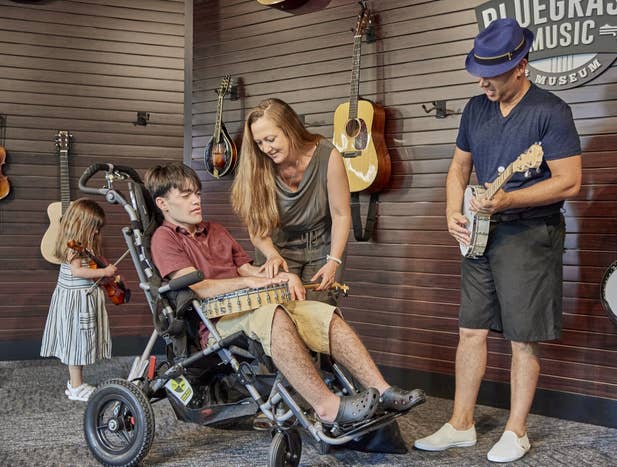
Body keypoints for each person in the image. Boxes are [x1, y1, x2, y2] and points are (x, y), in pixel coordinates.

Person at [413, 18, 582, 462]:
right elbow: (458, 169)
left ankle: (516, 431)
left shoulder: (551, 111)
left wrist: (509, 200)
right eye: (478, 71)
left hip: (530, 235)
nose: (483, 81)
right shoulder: (475, 108)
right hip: (478, 234)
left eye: (493, 73)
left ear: (521, 66)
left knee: (522, 339)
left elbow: (569, 182)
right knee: (469, 330)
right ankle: (461, 424)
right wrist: (453, 211)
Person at [145, 162, 424, 427]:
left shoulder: (215, 230)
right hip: (216, 322)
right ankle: (327, 407)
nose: (196, 200)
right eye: (186, 195)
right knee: (274, 315)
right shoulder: (164, 238)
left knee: (323, 313)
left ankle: (384, 391)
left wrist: (281, 277)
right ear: (163, 204)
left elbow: (246, 270)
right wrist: (248, 284)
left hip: (251, 306)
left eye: (197, 193)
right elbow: (197, 287)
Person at [231, 98, 350, 305]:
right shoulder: (257, 165)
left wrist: (334, 261)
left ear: (290, 129)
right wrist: (272, 256)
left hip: (322, 245)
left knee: (318, 314)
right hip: (277, 247)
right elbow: (257, 229)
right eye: (259, 143)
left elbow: (341, 214)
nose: (266, 149)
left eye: (270, 139)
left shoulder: (328, 157)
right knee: (279, 313)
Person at [40, 198, 116, 401]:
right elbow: (77, 271)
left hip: (78, 300)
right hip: (76, 303)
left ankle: (77, 383)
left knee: (78, 344)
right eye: (95, 229)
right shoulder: (74, 247)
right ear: (82, 225)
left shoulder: (81, 245)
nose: (97, 233)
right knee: (75, 344)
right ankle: (76, 387)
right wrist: (104, 271)